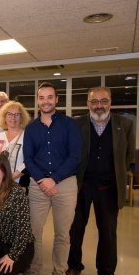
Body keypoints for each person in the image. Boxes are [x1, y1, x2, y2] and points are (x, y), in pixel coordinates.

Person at [67, 87, 135, 275]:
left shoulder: (125, 124)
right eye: (94, 102)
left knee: (107, 233)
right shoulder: (76, 124)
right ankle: (74, 265)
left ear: (110, 102)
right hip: (81, 186)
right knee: (76, 229)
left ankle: (105, 270)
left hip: (109, 188)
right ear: (88, 104)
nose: (99, 106)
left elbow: (129, 156)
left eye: (103, 101)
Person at [23, 82, 81, 275]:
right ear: (38, 100)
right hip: (37, 185)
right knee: (34, 233)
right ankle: (34, 269)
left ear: (56, 99)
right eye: (42, 97)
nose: (46, 101)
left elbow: (75, 156)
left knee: (63, 234)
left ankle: (59, 270)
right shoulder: (30, 128)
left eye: (50, 97)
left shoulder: (70, 125)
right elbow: (28, 158)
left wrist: (53, 179)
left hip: (64, 185)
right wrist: (42, 180)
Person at [0, 153, 34, 274]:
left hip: (22, 246)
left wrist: (11, 256)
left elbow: (23, 230)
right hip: (3, 241)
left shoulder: (16, 192)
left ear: (5, 170)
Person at [0, 101, 30, 187]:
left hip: (20, 184)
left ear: (21, 117)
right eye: (9, 114)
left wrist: (10, 177)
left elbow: (29, 162)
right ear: (4, 117)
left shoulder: (27, 137)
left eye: (17, 114)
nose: (13, 117)